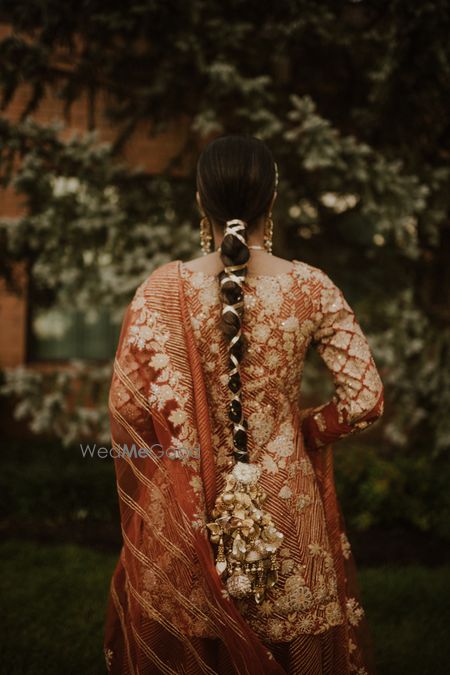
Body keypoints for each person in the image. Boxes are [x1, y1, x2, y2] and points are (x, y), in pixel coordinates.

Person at [103, 134, 384, 674]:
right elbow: (365, 399)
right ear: (271, 200)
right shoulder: (311, 287)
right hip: (287, 511)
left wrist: (185, 433)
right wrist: (306, 430)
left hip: (188, 511)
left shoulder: (163, 290)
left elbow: (130, 409)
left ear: (200, 201)